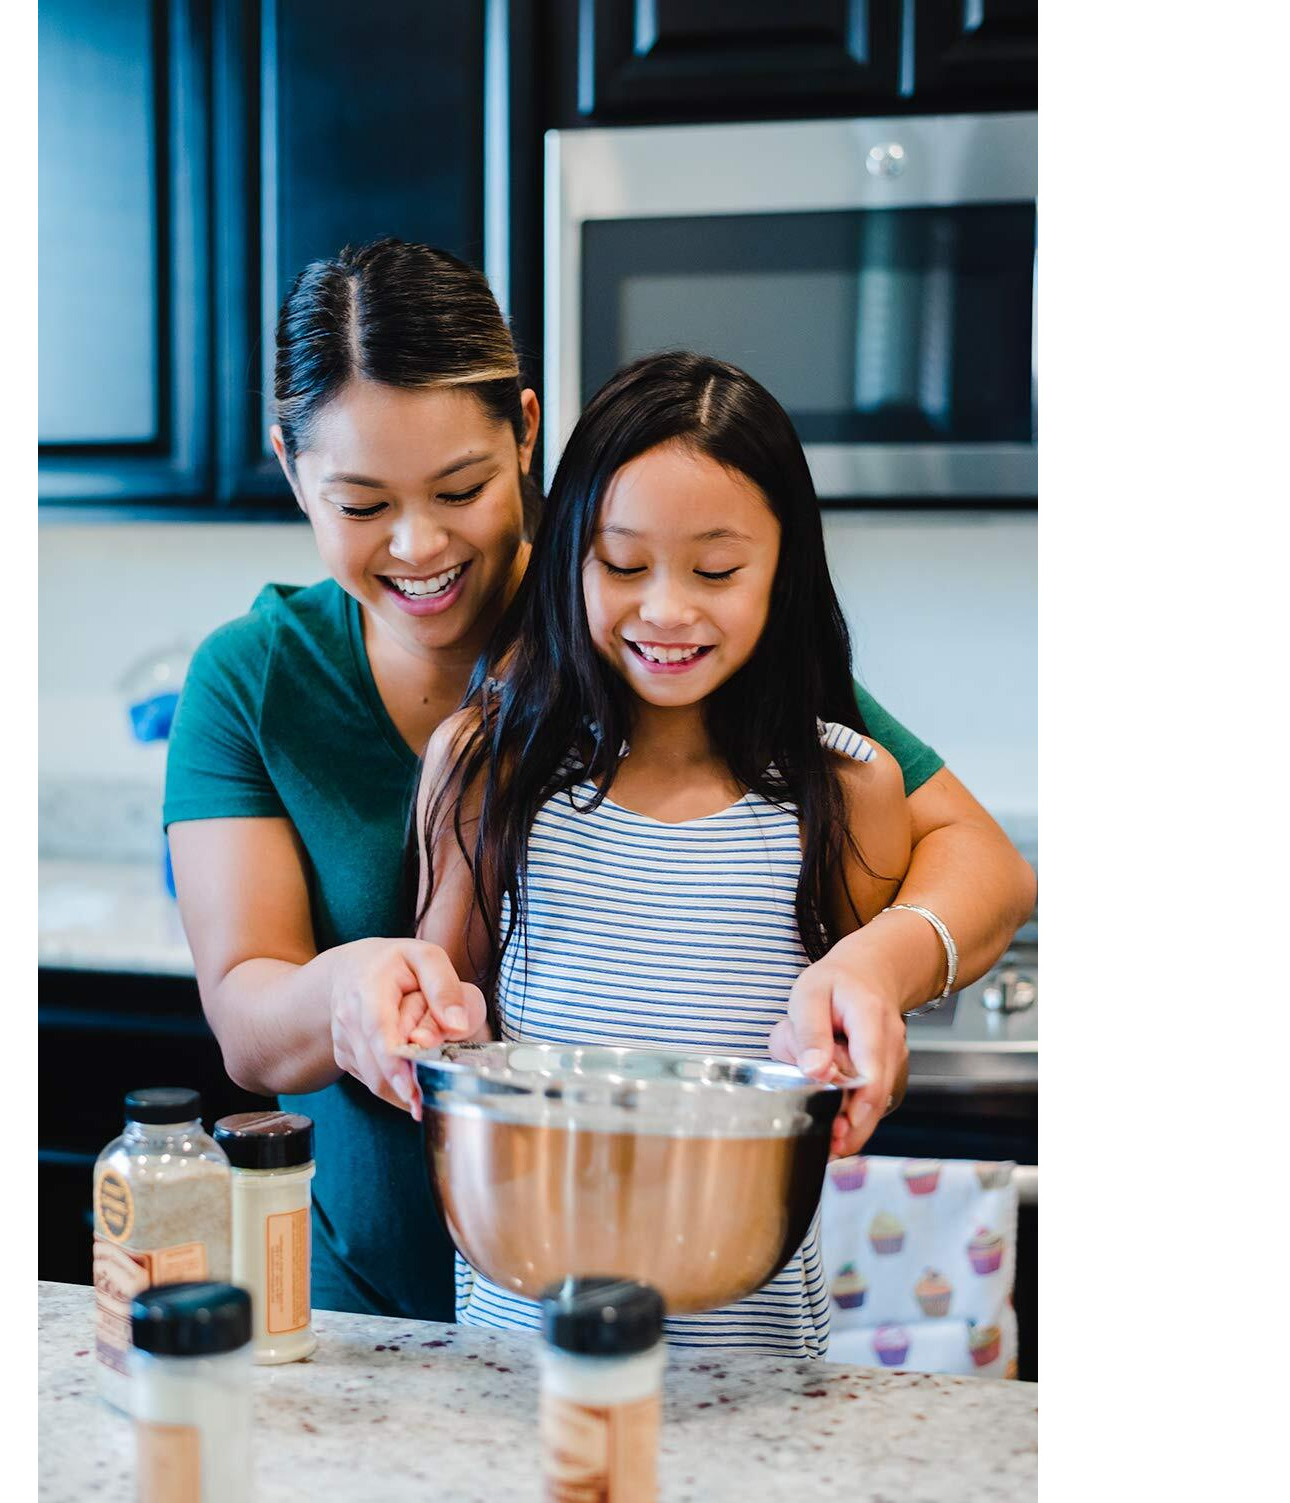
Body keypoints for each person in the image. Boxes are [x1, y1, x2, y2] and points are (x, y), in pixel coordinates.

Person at [163, 239, 1037, 1324]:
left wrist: (879, 961)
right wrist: (346, 994)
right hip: (370, 1300)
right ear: (288, 462)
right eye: (360, 503)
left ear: (525, 430)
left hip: (714, 1315)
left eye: (462, 486)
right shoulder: (258, 679)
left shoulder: (643, 626)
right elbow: (249, 1022)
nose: (419, 542)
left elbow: (981, 862)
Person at [410, 350, 912, 1352]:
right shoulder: (485, 766)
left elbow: (847, 1051)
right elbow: (442, 1009)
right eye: (624, 564)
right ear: (569, 560)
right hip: (520, 1351)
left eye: (717, 570)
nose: (668, 608)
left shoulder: (850, 791)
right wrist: (418, 1019)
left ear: (785, 569)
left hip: (756, 1365)